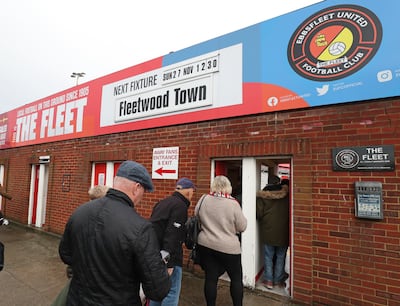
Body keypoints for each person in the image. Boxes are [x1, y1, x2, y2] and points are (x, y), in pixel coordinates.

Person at [58, 160, 171, 306]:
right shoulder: (141, 228)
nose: (142, 196)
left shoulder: (80, 212)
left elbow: (65, 254)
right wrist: (162, 269)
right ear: (137, 188)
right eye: (144, 190)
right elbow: (158, 290)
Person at [196, 175, 247, 306]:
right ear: (228, 187)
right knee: (236, 279)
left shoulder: (204, 199)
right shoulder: (233, 204)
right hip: (228, 248)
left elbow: (197, 215)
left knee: (211, 278)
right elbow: (242, 226)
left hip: (206, 244)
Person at [149, 177, 196, 306]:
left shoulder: (162, 203)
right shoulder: (180, 207)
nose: (192, 195)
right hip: (170, 258)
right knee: (171, 292)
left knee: (158, 291)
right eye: (192, 192)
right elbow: (173, 235)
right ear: (188, 192)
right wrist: (168, 262)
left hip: (155, 254)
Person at [256, 175, 289, 290]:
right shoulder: (287, 195)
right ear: (278, 182)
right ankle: (278, 281)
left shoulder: (262, 196)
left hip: (268, 230)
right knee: (280, 256)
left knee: (268, 256)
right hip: (284, 230)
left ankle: (269, 281)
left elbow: (258, 214)